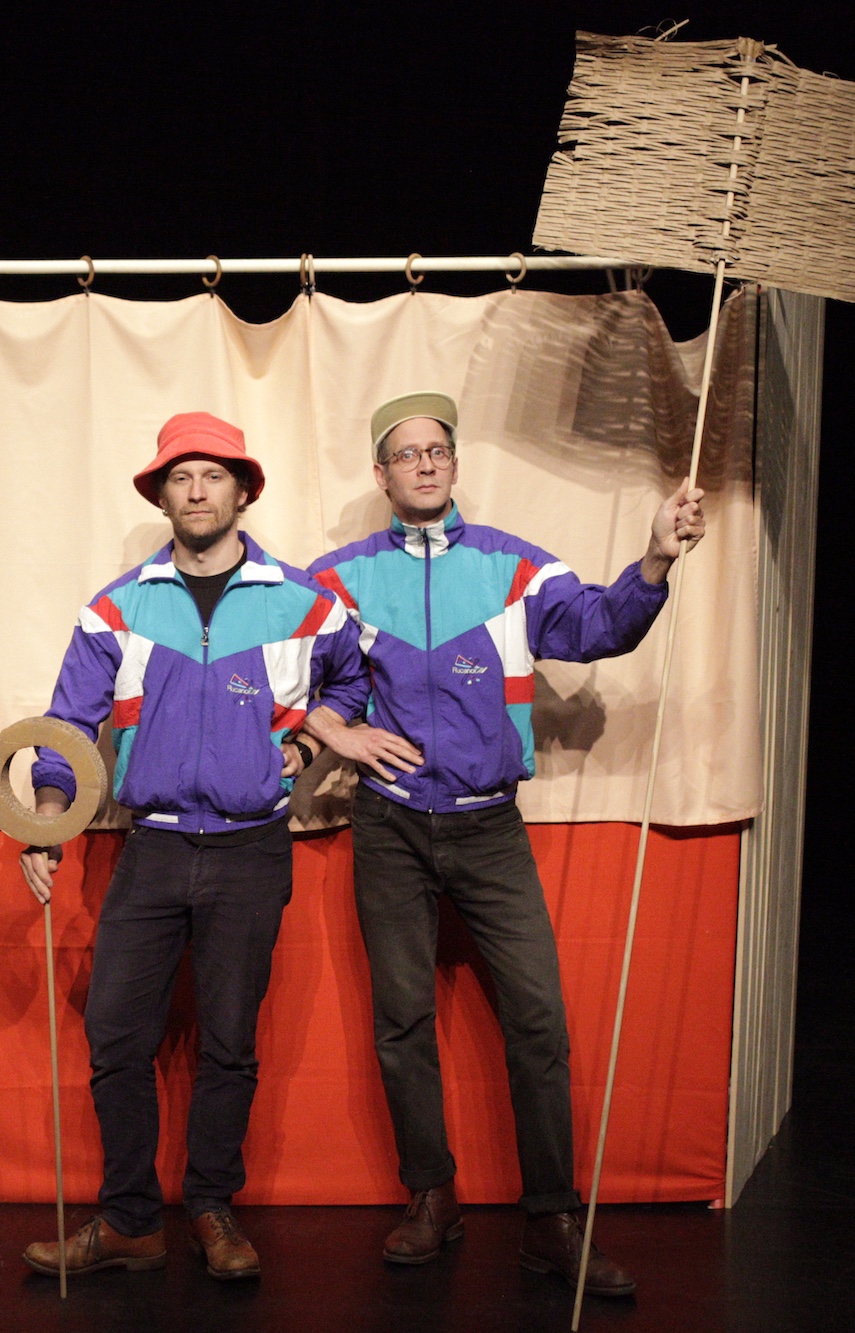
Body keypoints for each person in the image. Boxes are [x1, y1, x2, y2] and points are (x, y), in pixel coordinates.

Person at [301, 391, 706, 1298]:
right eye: (407, 454)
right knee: (402, 1022)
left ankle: (551, 1221)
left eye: (438, 448)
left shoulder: (519, 569)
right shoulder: (338, 579)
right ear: (383, 474)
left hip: (488, 824)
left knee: (538, 1023)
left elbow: (601, 626)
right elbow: (300, 682)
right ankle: (431, 1195)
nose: (427, 463)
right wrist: (340, 731)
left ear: (455, 461)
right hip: (391, 826)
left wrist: (653, 555)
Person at [18, 411, 365, 1283]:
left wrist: (304, 752)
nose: (198, 489)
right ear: (162, 493)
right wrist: (50, 815)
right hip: (155, 849)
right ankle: (132, 1219)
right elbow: (67, 720)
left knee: (230, 1041)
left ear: (243, 490)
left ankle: (212, 1206)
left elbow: (352, 682)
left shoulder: (307, 601)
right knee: (115, 1036)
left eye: (214, 475)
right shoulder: (116, 605)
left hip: (252, 849)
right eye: (181, 476)